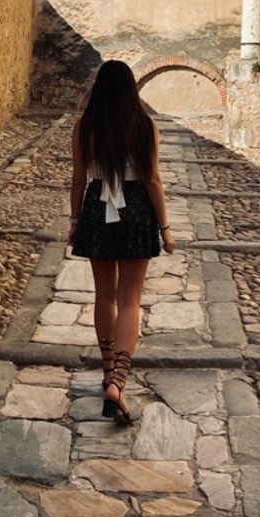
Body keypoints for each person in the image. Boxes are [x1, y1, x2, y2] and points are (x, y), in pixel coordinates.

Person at [68, 60, 175, 424]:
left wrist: (75, 220)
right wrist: (165, 227)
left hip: (98, 208)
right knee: (130, 300)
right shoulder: (144, 126)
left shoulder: (85, 127)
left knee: (105, 296)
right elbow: (152, 180)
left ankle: (107, 371)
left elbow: (78, 181)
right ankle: (118, 381)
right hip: (136, 211)